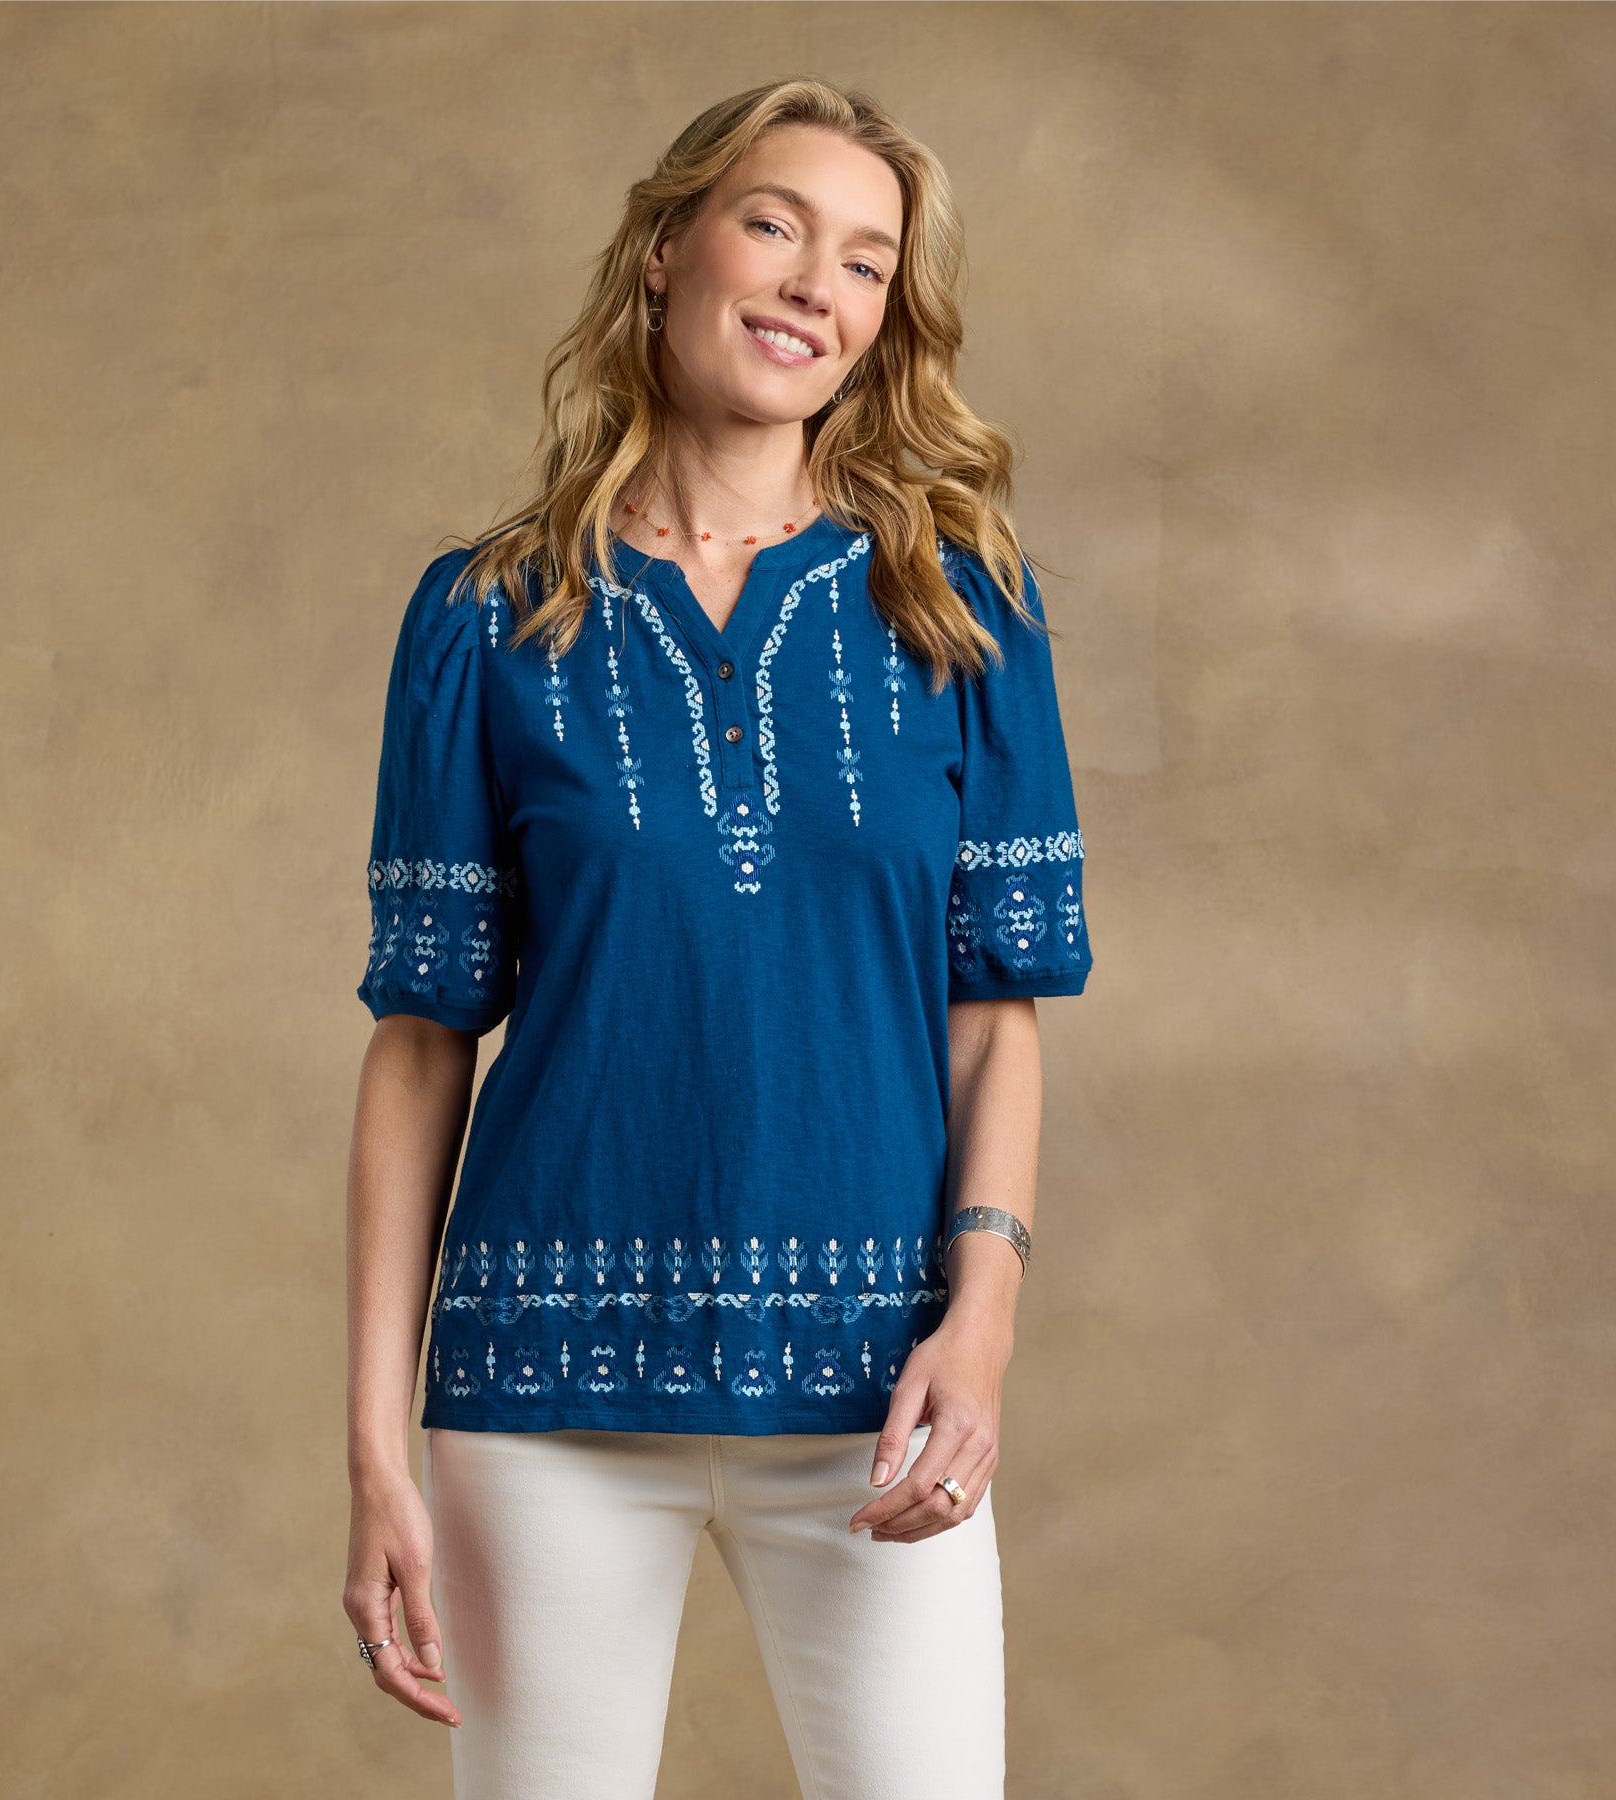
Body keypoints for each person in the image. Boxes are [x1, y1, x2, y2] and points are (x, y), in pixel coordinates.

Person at [343, 77, 1095, 1800]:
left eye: (867, 262)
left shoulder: (961, 606)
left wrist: (980, 1323)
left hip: (879, 1405)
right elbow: (422, 1039)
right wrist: (375, 1445)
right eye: (775, 225)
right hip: (543, 1399)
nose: (816, 284)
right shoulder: (487, 617)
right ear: (668, 250)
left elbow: (995, 1016)